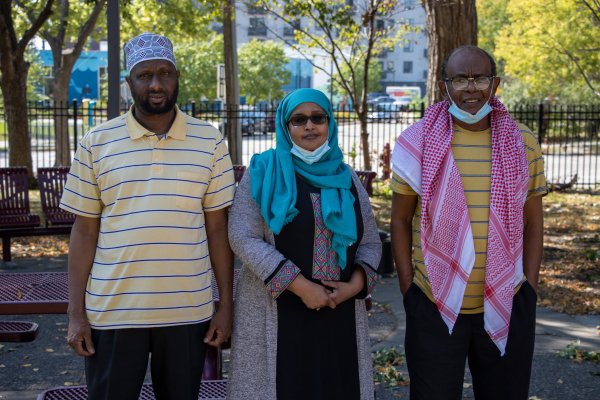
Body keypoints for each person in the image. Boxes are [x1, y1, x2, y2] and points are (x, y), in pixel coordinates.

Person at [60, 32, 235, 400]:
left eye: (164, 73)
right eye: (144, 75)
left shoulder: (210, 141)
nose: (156, 84)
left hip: (188, 312)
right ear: (129, 83)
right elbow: (84, 232)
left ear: (177, 77)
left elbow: (218, 230)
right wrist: (76, 313)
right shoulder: (96, 142)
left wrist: (225, 307)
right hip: (113, 312)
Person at [390, 45, 547, 400]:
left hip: (509, 298)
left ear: (496, 83)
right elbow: (399, 221)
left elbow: (534, 223)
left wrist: (530, 290)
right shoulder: (416, 141)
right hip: (433, 301)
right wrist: (409, 290)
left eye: (480, 78)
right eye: (461, 78)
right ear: (445, 85)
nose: (471, 87)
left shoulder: (523, 142)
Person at [227, 88, 381, 400]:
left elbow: (371, 243)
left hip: (338, 315)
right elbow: (241, 236)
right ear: (286, 127)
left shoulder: (346, 177)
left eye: (317, 118)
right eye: (298, 120)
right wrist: (299, 285)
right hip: (277, 309)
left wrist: (351, 288)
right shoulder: (262, 172)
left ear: (330, 123)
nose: (309, 126)